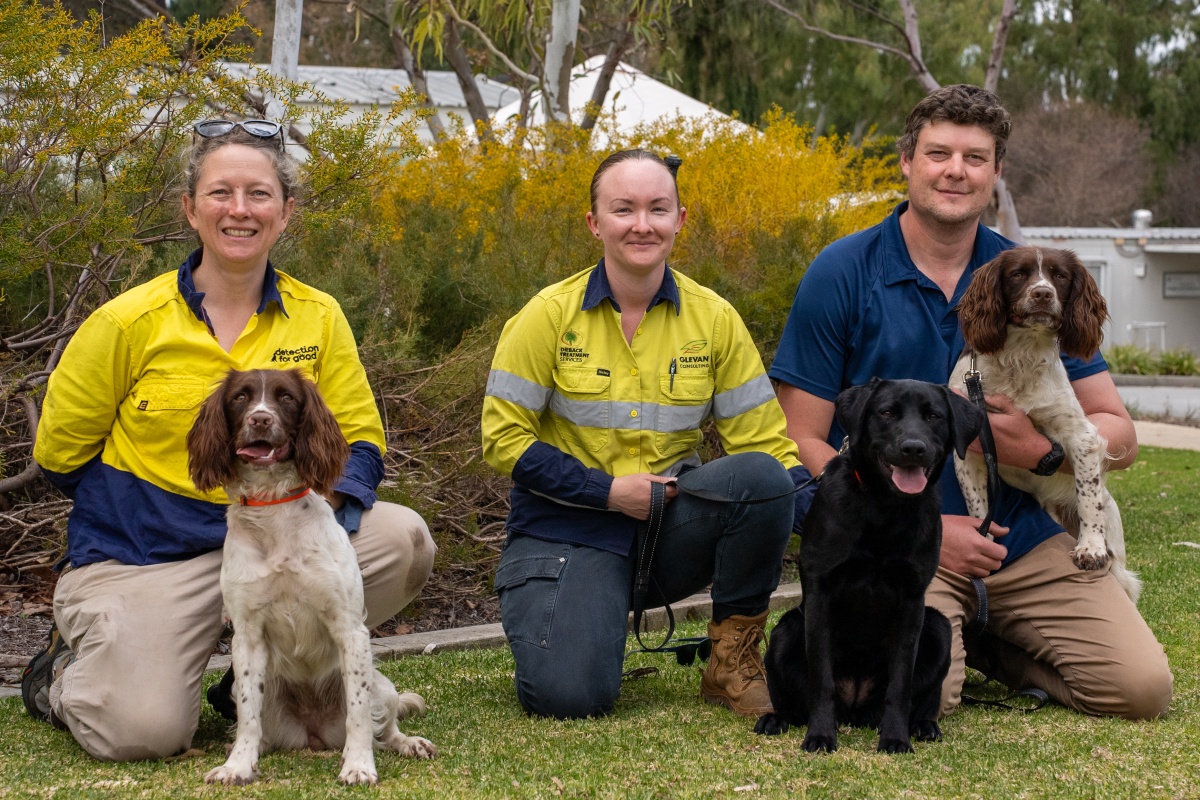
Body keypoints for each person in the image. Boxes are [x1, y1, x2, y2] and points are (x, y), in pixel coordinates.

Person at [23, 119, 436, 761]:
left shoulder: (318, 315)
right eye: (220, 193)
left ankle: (250, 682)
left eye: (259, 194)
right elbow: (59, 455)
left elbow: (359, 440)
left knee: (401, 540)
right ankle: (68, 672)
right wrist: (159, 513)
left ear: (286, 212)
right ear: (190, 209)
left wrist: (313, 514)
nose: (239, 210)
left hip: (281, 529)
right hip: (153, 557)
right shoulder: (126, 321)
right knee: (142, 733)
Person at [769, 84, 1172, 720]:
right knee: (933, 700)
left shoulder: (1032, 275)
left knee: (1142, 690)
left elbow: (1117, 433)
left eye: (975, 158)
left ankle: (993, 642)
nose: (955, 171)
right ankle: (963, 642)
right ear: (906, 162)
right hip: (901, 545)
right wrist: (916, 526)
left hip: (1026, 537)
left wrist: (1039, 453)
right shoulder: (843, 271)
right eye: (938, 153)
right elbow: (797, 439)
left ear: (996, 173)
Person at [481, 149, 815, 720]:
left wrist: (840, 523)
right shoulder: (546, 315)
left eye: (658, 209)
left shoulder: (714, 319)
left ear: (680, 220)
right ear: (594, 223)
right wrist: (607, 492)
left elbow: (769, 448)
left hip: (669, 531)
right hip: (570, 530)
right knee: (570, 698)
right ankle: (581, 616)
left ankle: (730, 663)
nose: (642, 224)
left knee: (762, 477)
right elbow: (503, 441)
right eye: (623, 209)